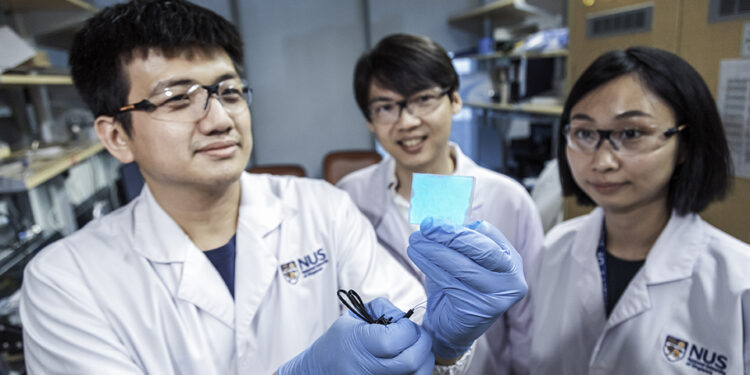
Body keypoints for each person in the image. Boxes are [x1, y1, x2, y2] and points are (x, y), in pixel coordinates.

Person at [18, 1, 529, 374]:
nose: (219, 118)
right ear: (115, 135)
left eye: (229, 91)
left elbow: (409, 339)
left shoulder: (325, 209)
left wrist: (442, 345)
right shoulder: (65, 281)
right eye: (177, 98)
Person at [530, 46, 750, 374]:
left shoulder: (739, 281)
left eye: (631, 133)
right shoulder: (554, 250)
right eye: (584, 133)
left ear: (685, 145)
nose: (602, 161)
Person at [337, 33, 544, 374]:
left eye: (422, 99)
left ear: (455, 100)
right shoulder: (350, 197)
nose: (406, 122)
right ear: (369, 121)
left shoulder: (508, 199)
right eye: (386, 107)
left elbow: (528, 324)